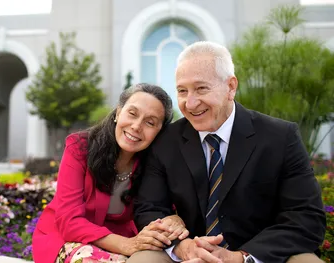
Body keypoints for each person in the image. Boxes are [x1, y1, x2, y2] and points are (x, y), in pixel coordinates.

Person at [130, 41, 326, 263]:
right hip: (188, 253)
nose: (190, 103)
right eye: (182, 91)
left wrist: (240, 257)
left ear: (231, 87)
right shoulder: (166, 141)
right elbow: (149, 208)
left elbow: (306, 218)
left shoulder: (281, 137)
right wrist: (184, 247)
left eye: (201, 88)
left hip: (259, 256)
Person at [32, 83, 190, 263]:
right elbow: (69, 222)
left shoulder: (154, 163)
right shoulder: (79, 147)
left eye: (150, 122)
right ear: (118, 112)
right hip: (66, 240)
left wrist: (174, 219)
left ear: (159, 133)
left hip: (120, 244)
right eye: (132, 113)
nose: (137, 126)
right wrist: (128, 245)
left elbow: (166, 205)